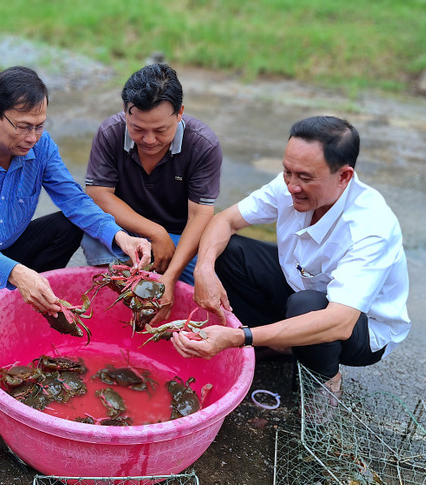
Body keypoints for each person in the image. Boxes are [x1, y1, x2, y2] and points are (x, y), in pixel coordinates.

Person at [176, 115, 410, 399]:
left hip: (361, 328)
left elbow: (340, 320)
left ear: (344, 176)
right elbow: (225, 220)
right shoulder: (290, 185)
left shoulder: (372, 227)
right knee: (228, 253)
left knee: (307, 305)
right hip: (301, 283)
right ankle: (282, 343)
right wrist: (204, 270)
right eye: (288, 171)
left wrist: (242, 336)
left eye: (305, 178)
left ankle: (325, 380)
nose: (291, 186)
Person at [0, 66, 152, 357]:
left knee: (69, 225)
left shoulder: (42, 146)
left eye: (39, 125)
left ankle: (31, 298)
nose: (32, 137)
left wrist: (121, 237)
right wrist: (16, 272)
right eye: (22, 126)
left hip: (12, 244)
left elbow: (75, 200)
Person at [81, 63, 222, 323]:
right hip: (129, 230)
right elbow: (98, 194)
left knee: (206, 280)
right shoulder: (110, 133)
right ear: (125, 112)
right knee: (93, 232)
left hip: (181, 237)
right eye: (137, 129)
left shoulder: (203, 144)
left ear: (180, 113)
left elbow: (201, 215)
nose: (148, 140)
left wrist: (170, 276)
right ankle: (114, 307)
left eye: (160, 130)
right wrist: (154, 233)